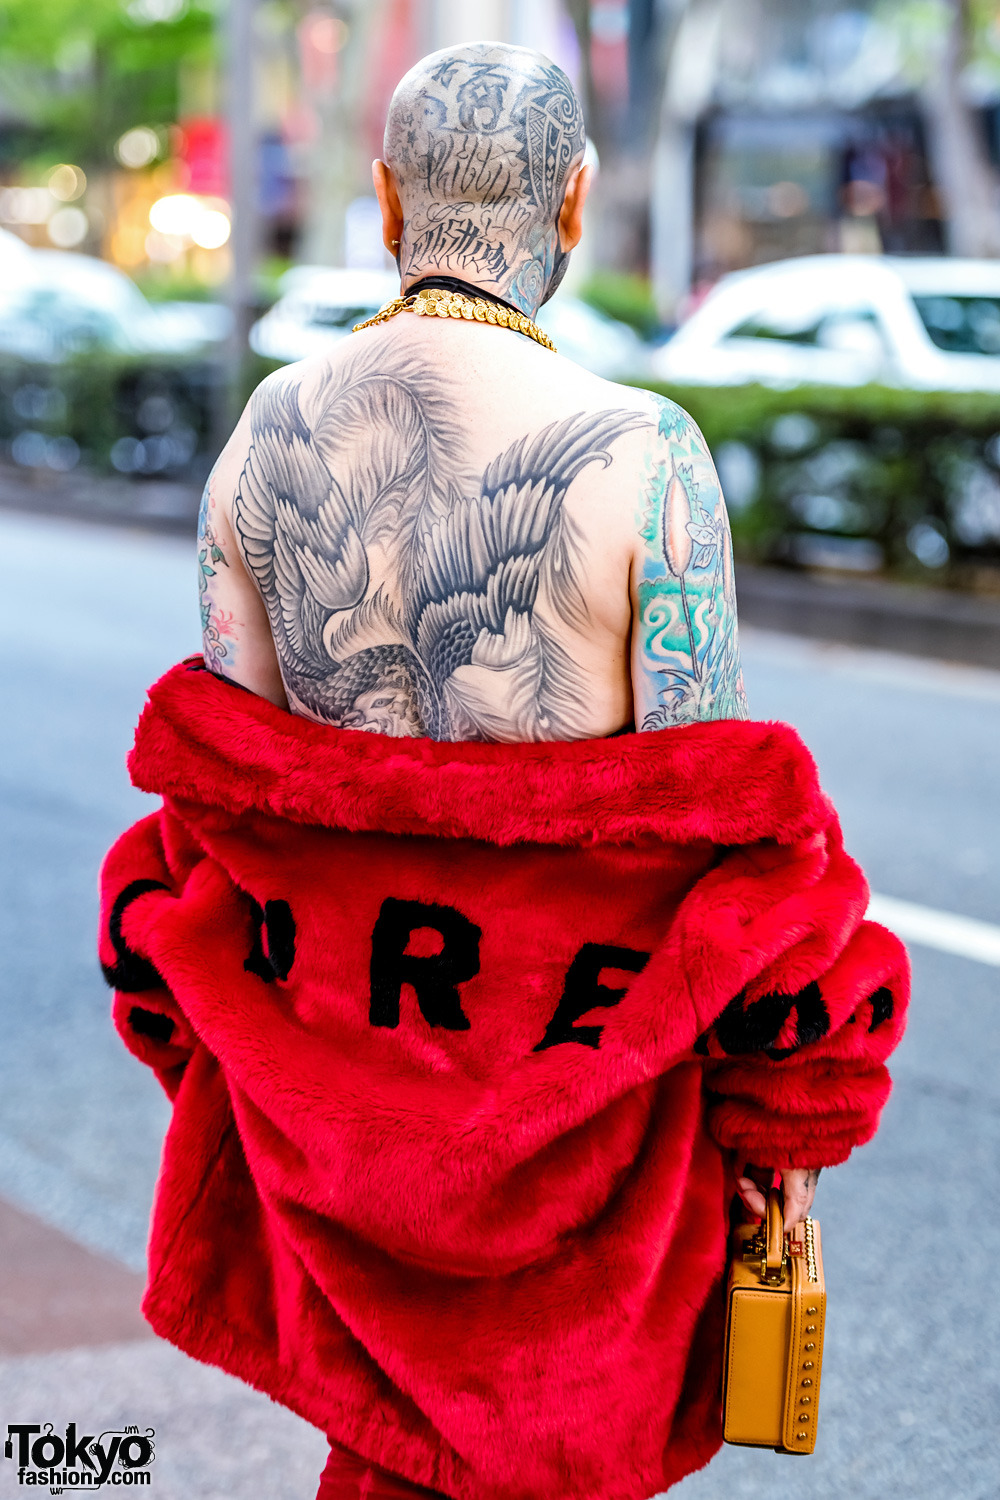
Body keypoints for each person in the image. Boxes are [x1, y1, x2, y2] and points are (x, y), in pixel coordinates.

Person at [103, 41, 906, 1500]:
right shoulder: (642, 458)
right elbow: (733, 853)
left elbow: (228, 815)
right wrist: (791, 1107)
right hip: (574, 1115)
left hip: (346, 1108)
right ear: (579, 204)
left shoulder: (264, 441)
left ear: (388, 195)